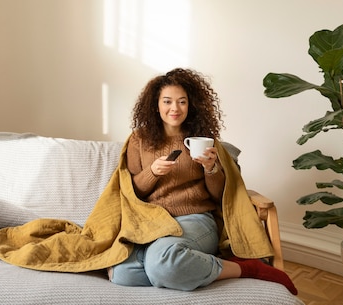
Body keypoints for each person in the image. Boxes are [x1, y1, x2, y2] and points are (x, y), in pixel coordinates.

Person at [108, 68, 297, 295]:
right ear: (155, 104)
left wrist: (211, 169)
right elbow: (132, 192)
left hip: (195, 219)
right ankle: (181, 262)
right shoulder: (139, 139)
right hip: (152, 221)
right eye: (167, 101)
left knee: (162, 264)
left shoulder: (202, 139)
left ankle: (245, 268)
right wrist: (152, 172)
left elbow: (220, 197)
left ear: (191, 104)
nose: (175, 109)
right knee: (122, 274)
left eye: (182, 102)